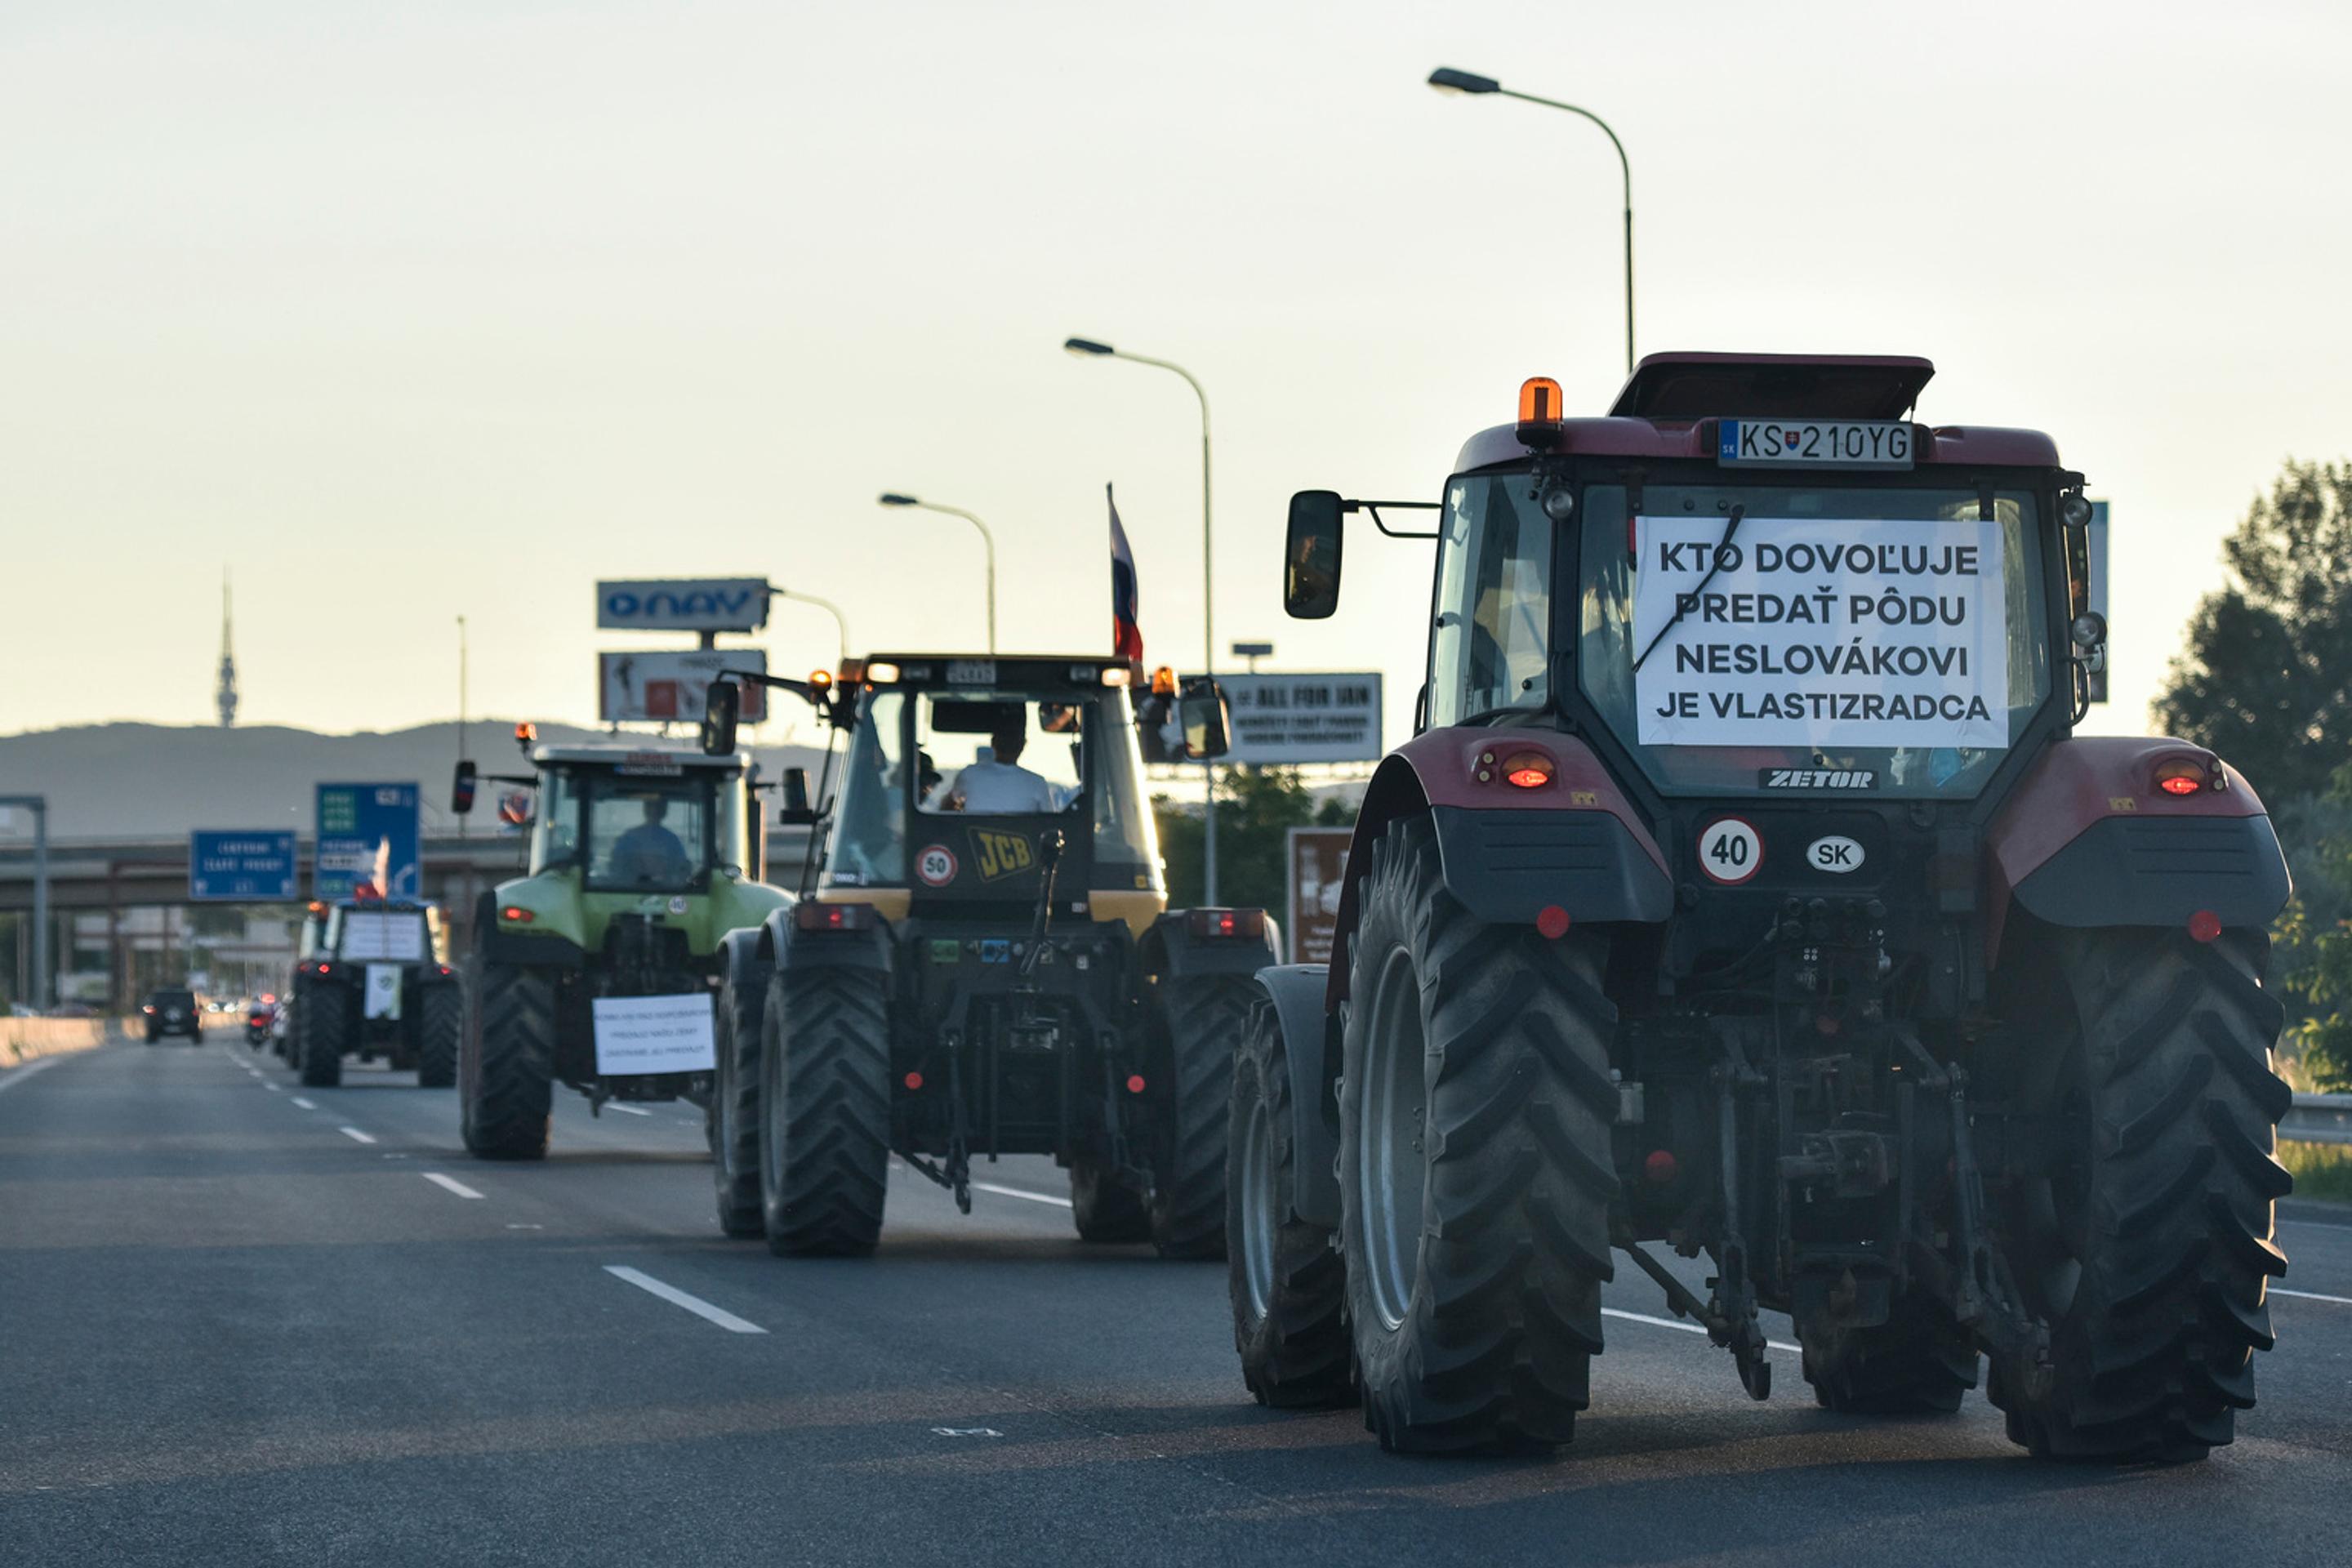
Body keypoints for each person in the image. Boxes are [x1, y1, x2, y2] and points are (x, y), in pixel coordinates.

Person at [945, 715, 1058, 813]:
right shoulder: (1037, 783)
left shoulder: (969, 774)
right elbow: (1050, 826)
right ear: (1022, 745)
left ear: (993, 743)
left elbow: (947, 807)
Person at [607, 795, 693, 884]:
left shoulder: (673, 841)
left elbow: (682, 869)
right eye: (650, 806)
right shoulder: (628, 838)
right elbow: (615, 868)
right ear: (645, 809)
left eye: (658, 807)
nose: (654, 810)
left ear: (664, 810)